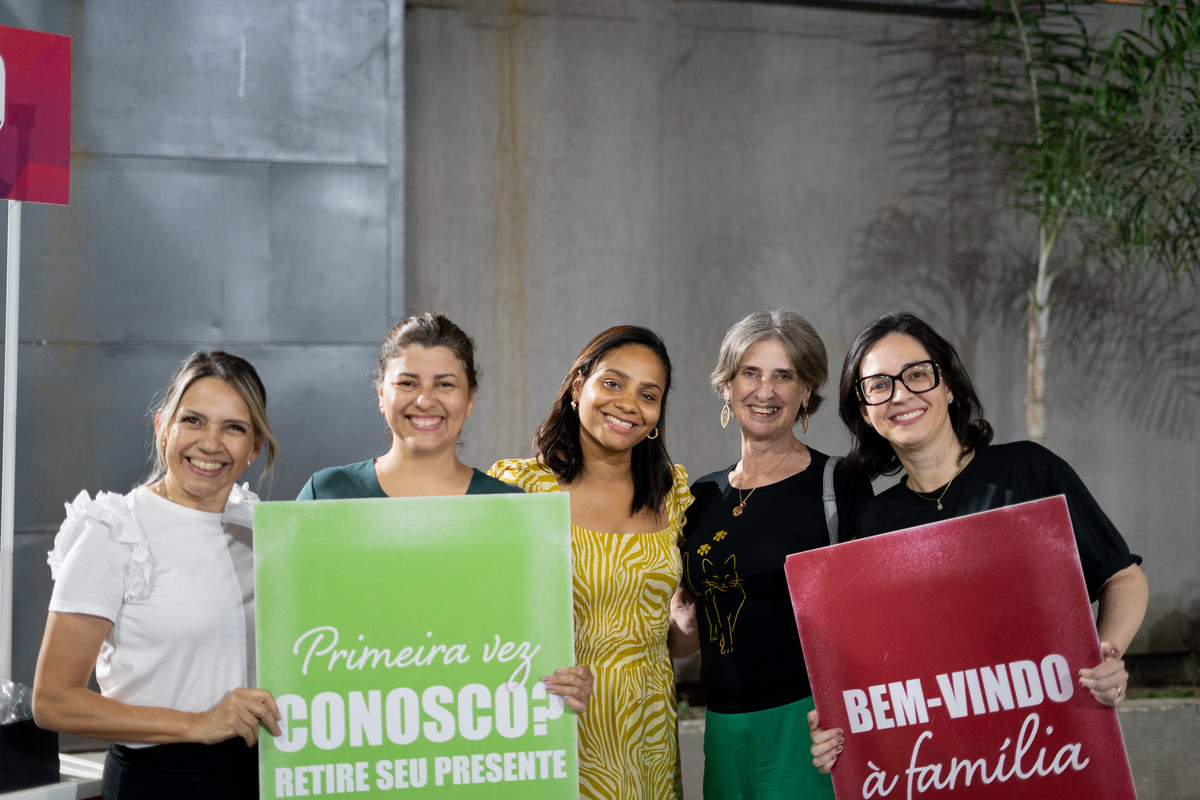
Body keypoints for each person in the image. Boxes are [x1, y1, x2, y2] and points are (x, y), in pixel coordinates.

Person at [808, 311, 1149, 773]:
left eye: (916, 375)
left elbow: (1122, 577)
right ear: (866, 413)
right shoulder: (874, 524)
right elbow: (877, 662)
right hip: (945, 759)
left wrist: (1106, 655)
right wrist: (841, 723)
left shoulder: (1028, 471)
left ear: (947, 386)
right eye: (879, 385)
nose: (901, 394)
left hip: (1050, 741)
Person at [296, 312, 592, 712]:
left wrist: (566, 682)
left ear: (469, 400)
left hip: (470, 750)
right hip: (357, 745)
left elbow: (533, 644)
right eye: (407, 382)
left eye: (445, 385)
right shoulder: (326, 495)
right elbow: (292, 634)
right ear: (381, 393)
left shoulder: (511, 512)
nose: (425, 400)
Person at [32, 351, 282, 800]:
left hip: (265, 773)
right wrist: (198, 723)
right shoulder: (113, 530)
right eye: (193, 420)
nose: (210, 442)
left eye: (234, 428)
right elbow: (53, 701)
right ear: (162, 427)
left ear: (254, 448)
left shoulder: (262, 526)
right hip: (159, 780)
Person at [675, 309, 874, 799]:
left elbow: (872, 622)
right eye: (750, 373)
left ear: (806, 392)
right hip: (721, 725)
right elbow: (686, 641)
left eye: (784, 375)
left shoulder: (839, 485)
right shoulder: (698, 498)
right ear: (726, 385)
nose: (765, 391)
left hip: (808, 723)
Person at [489, 325, 694, 800]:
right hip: (554, 718)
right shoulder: (519, 488)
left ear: (658, 415)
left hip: (648, 732)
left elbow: (676, 640)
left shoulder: (676, 494)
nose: (628, 403)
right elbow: (483, 617)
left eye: (649, 394)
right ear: (578, 385)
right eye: (613, 383)